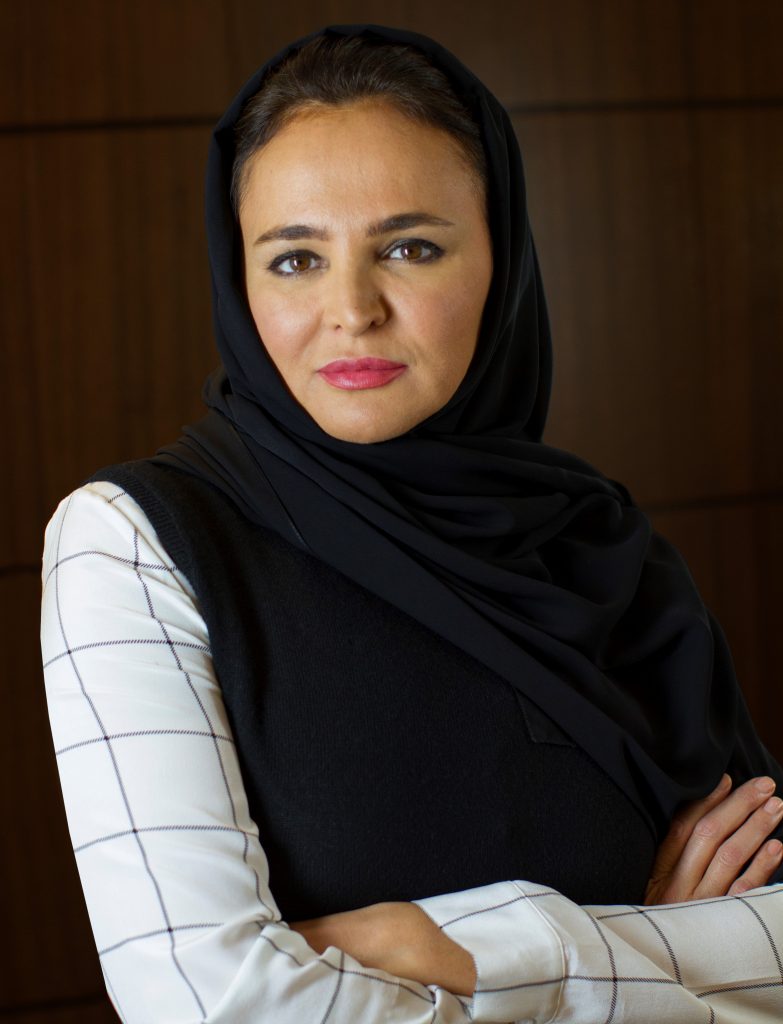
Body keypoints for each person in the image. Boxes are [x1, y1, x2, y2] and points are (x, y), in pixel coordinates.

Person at [41, 23, 783, 1023]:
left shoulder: (599, 542)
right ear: (238, 279)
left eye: (409, 247)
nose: (352, 308)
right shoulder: (138, 545)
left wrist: (430, 952)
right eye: (295, 259)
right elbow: (206, 1003)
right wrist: (649, 954)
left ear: (501, 260)